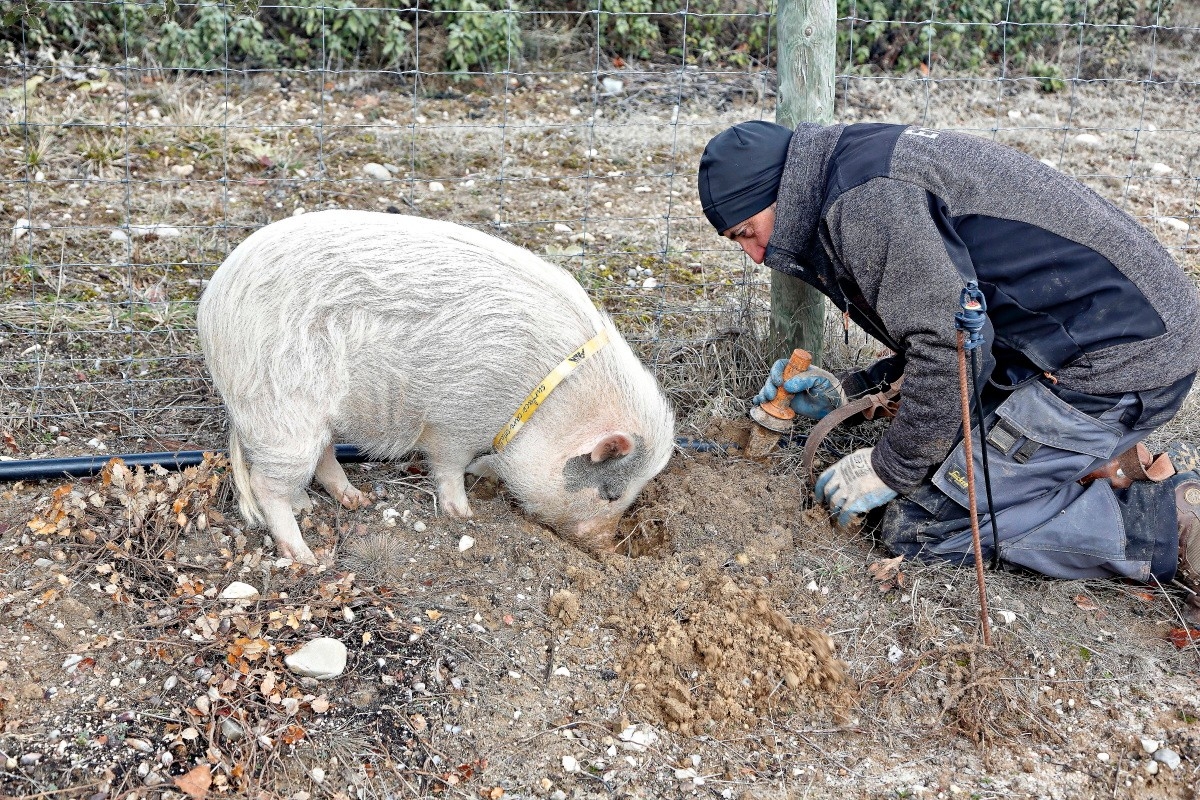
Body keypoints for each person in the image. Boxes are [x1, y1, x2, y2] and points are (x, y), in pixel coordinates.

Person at [697, 119, 1200, 604]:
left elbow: (949, 348)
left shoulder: (868, 204)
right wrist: (850, 393)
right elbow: (960, 324)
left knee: (922, 526)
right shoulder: (846, 169)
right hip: (1075, 338)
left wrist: (888, 469)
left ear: (780, 192)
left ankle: (1163, 519)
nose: (755, 255)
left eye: (747, 231)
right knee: (940, 455)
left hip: (1120, 363)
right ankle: (1085, 464)